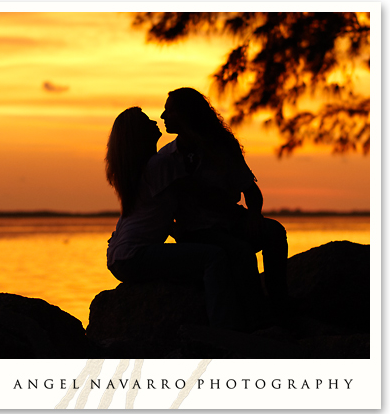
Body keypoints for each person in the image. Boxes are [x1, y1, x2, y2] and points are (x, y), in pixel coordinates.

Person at [156, 87, 289, 319]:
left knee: (274, 232)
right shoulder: (166, 158)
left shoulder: (222, 147)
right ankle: (256, 317)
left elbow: (251, 190)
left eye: (170, 111)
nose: (163, 116)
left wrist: (255, 216)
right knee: (241, 251)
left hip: (230, 220)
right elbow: (159, 206)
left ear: (187, 114)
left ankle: (280, 304)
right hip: (196, 230)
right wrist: (173, 229)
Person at [105, 107, 240, 328]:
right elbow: (200, 194)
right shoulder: (159, 166)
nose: (155, 121)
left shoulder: (139, 172)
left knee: (193, 263)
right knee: (213, 258)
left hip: (119, 256)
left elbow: (154, 218)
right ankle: (224, 329)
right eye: (146, 120)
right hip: (135, 255)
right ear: (139, 133)